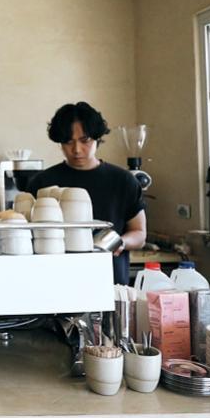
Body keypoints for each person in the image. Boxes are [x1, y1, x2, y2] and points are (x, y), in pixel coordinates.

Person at [26, 102, 146, 285]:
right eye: (68, 142)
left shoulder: (123, 181)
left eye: (85, 140)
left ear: (97, 138)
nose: (76, 149)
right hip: (54, 280)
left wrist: (119, 242)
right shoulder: (42, 183)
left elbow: (139, 233)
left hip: (109, 281)